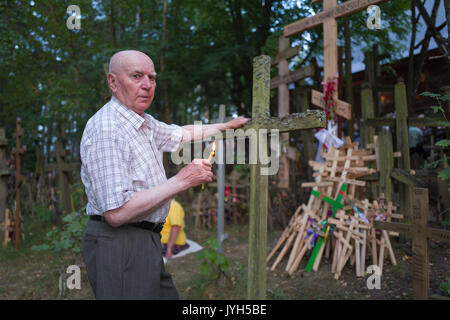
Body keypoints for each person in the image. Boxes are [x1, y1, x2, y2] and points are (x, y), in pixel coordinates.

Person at [80, 50, 249, 300]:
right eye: (137, 76)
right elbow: (116, 213)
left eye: (152, 77)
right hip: (120, 243)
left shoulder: (141, 122)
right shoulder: (107, 129)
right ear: (113, 82)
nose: (148, 85)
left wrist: (225, 126)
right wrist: (183, 180)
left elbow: (181, 133)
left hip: (146, 239)